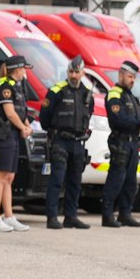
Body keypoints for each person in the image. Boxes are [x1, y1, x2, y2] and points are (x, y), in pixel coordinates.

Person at [39, 55, 94, 230]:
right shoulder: (57, 90)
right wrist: (54, 133)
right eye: (71, 71)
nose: (73, 75)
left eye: (77, 72)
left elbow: (89, 114)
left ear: (83, 72)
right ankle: (52, 217)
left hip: (78, 143)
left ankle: (71, 216)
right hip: (60, 141)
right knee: (56, 180)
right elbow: (44, 117)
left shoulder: (87, 94)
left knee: (75, 182)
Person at [101, 60, 140, 228]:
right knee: (116, 180)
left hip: (133, 143)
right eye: (130, 76)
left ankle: (125, 214)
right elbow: (119, 120)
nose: (132, 80)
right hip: (120, 142)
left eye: (134, 77)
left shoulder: (131, 97)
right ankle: (108, 215)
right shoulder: (114, 94)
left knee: (130, 182)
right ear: (121, 75)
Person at [0, 55, 33, 232]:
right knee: (1, 177)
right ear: (17, 69)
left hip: (14, 135)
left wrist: (26, 126)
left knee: (9, 177)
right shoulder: (6, 86)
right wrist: (23, 127)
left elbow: (21, 112)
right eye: (23, 69)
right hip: (4, 135)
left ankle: (9, 215)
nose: (25, 72)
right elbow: (10, 113)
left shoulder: (18, 86)